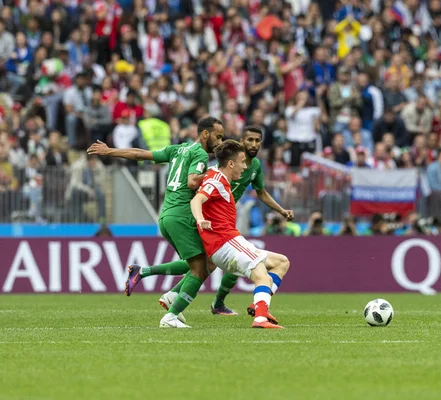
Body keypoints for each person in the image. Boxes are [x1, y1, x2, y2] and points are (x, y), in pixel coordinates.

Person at [87, 117, 224, 327]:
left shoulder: (178, 149)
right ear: (205, 134)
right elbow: (192, 181)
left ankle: (152, 279)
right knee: (200, 269)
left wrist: (110, 151)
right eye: (218, 136)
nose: (220, 141)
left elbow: (140, 154)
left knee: (205, 263)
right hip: (182, 215)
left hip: (166, 216)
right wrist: (217, 174)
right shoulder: (200, 154)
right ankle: (171, 316)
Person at [160, 126, 294, 318]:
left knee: (207, 266)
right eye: (250, 140)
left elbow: (261, 192)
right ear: (241, 143)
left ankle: (174, 297)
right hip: (219, 230)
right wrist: (199, 217)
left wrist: (281, 210)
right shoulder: (217, 175)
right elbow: (197, 195)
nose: (254, 144)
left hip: (225, 223)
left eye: (258, 140)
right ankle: (255, 310)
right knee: (205, 267)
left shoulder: (253, 166)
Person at [190, 140, 291, 329]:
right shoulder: (217, 180)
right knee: (262, 275)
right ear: (230, 164)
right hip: (226, 243)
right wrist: (199, 218)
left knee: (281, 262)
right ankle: (260, 318)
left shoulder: (216, 175)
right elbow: (197, 199)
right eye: (242, 161)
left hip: (227, 243)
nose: (245, 166)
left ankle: (260, 304)